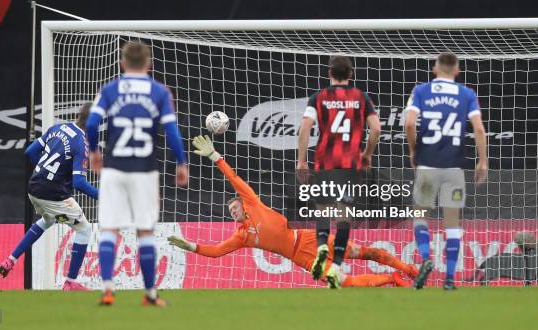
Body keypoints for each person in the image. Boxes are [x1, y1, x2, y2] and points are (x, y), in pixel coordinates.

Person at [168, 135, 417, 288]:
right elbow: (216, 252)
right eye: (230, 211)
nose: (233, 212)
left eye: (234, 207)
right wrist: (191, 246)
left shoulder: (253, 203)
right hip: (304, 258)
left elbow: (234, 179)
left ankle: (409, 270)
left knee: (364, 253)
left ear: (243, 204)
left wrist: (215, 156)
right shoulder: (242, 236)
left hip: (308, 239)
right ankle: (392, 279)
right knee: (344, 282)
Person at [86, 41, 189, 306]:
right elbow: (172, 133)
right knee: (145, 232)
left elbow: (92, 122)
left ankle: (107, 289)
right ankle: (150, 294)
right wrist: (181, 162)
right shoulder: (159, 92)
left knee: (109, 228)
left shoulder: (110, 90)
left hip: (114, 168)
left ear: (122, 64)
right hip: (145, 171)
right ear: (149, 64)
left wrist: (95, 152)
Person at [405, 52, 487, 290]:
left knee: (420, 215)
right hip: (454, 168)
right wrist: (482, 162)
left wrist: (414, 150)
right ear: (457, 71)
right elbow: (479, 130)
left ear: (435, 69)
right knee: (452, 222)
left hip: (428, 166)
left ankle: (426, 258)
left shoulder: (421, 91)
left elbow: (410, 123)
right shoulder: (467, 94)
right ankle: (450, 279)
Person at [297, 56, 381, 288]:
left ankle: (323, 244)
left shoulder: (319, 97)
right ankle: (335, 267)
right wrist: (367, 154)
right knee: (344, 215)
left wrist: (301, 160)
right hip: (351, 163)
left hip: (325, 161)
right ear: (351, 74)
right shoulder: (361, 97)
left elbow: (304, 128)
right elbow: (376, 128)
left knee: (323, 208)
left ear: (329, 73)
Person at [0, 103, 98, 291]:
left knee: (47, 219)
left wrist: (44, 172)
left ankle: (10, 259)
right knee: (84, 230)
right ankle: (70, 281)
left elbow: (30, 152)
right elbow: (79, 183)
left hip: (34, 188)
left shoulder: (58, 127)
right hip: (52, 194)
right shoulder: (81, 143)